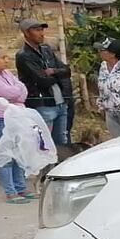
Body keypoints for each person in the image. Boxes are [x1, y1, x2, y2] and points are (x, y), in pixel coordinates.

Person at [15, 18, 71, 148]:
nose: (41, 33)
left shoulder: (46, 49)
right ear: (26, 33)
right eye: (37, 30)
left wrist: (53, 71)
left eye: (42, 29)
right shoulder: (24, 56)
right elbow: (42, 81)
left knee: (61, 143)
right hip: (42, 104)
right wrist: (59, 74)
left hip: (59, 101)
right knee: (43, 144)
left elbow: (67, 70)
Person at [0, 45, 33, 203]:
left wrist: (16, 90)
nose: (6, 61)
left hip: (15, 116)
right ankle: (10, 191)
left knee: (18, 152)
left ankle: (21, 187)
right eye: (3, 58)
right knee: (5, 154)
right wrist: (16, 90)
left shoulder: (7, 73)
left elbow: (22, 92)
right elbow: (12, 92)